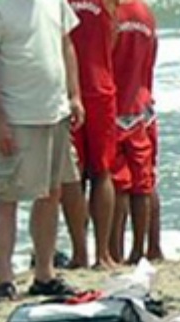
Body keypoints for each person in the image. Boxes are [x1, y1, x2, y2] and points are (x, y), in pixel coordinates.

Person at [0, 0, 83, 300]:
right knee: (6, 198)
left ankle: (44, 274)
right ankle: (3, 277)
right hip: (18, 114)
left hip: (55, 111)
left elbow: (67, 44)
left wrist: (75, 95)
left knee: (52, 192)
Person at [63, 0, 119, 269]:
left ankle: (93, 253)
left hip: (83, 89)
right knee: (83, 173)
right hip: (93, 87)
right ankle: (92, 253)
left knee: (94, 171)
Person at [111, 0, 157, 264]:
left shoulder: (110, 12)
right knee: (143, 184)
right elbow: (150, 59)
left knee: (117, 184)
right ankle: (142, 249)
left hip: (115, 105)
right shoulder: (145, 12)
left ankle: (113, 251)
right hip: (142, 103)